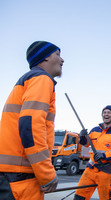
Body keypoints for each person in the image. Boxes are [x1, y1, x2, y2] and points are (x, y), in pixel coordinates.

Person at [0, 41, 64, 199]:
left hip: (11, 175)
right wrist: (46, 173)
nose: (62, 60)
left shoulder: (27, 81)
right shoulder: (41, 79)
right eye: (58, 54)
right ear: (45, 58)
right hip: (21, 178)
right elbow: (30, 125)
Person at [74, 105, 111, 200]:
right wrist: (82, 137)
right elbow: (86, 144)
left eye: (109, 112)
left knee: (106, 198)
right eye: (104, 112)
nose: (106, 114)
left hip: (107, 171)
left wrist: (104, 155)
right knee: (79, 196)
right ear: (102, 115)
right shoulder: (95, 130)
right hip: (91, 169)